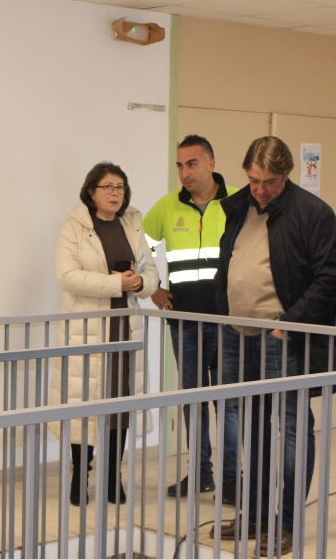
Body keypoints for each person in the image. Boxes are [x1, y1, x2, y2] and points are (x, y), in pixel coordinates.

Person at [214, 136, 336, 556]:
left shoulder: (313, 213)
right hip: (237, 333)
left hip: (281, 336)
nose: (260, 189)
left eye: (269, 181)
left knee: (290, 429)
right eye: (254, 180)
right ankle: (253, 514)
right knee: (249, 425)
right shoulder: (238, 206)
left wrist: (288, 324)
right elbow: (228, 264)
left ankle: (286, 523)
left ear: (286, 174)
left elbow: (329, 278)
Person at [53, 162, 159, 507]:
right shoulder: (74, 226)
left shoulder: (134, 224)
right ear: (91, 191)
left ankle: (113, 476)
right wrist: (116, 284)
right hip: (87, 331)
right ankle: (79, 475)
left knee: (121, 406)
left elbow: (152, 271)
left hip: (125, 328)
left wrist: (140, 283)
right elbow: (67, 276)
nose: (115, 193)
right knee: (83, 404)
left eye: (120, 187)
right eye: (108, 187)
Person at [143, 134, 239, 500]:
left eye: (192, 164)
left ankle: (231, 478)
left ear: (211, 163)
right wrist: (153, 288)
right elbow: (139, 247)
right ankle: (200, 473)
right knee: (193, 399)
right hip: (184, 321)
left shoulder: (237, 203)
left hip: (228, 321)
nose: (185, 172)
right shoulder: (167, 207)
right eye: (180, 166)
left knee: (228, 401)